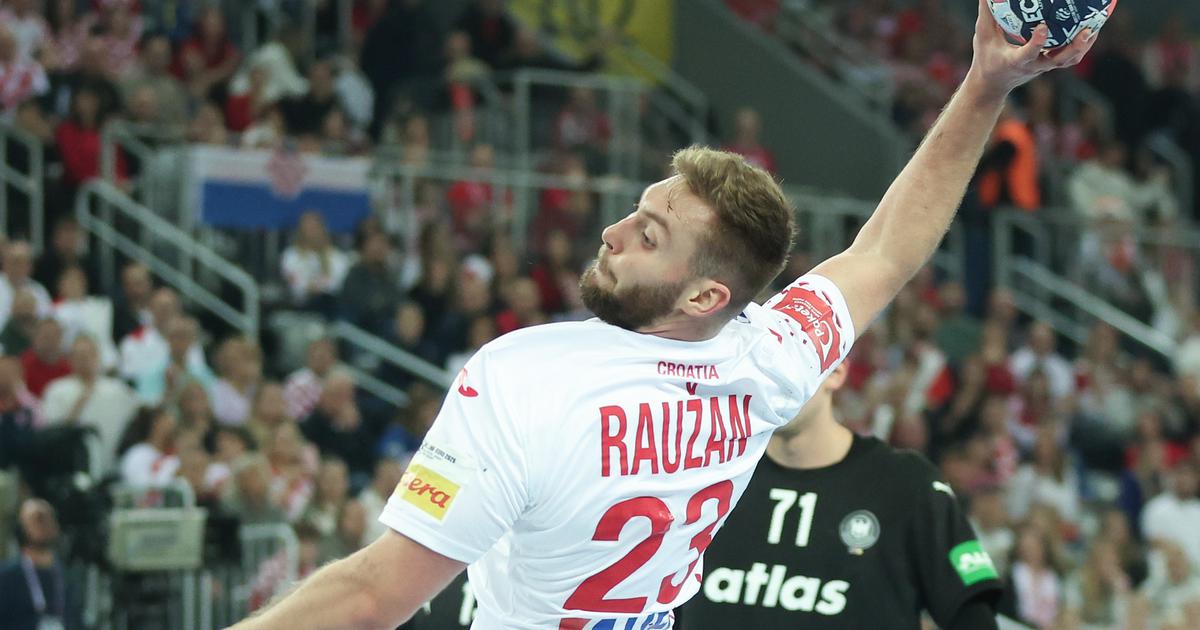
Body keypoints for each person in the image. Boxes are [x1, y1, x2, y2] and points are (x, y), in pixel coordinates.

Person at [231, 6, 1098, 628]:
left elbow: (373, 597)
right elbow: (886, 252)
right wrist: (987, 83)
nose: (611, 233)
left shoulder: (524, 378)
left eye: (648, 235)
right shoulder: (766, 361)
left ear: (705, 296)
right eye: (636, 211)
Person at [676, 362, 1002, 628]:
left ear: (837, 371)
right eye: (759, 365)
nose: (771, 383)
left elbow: (972, 614)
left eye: (788, 362)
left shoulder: (907, 484)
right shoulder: (706, 475)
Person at [0, 498, 78, 630]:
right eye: (39, 518)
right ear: (21, 528)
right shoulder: (5, 578)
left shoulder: (68, 577)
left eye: (51, 517)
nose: (47, 523)